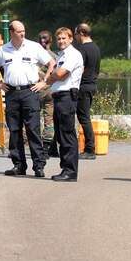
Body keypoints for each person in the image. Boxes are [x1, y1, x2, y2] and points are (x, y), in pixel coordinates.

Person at [0, 20, 53, 178]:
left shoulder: (33, 47)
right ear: (11, 33)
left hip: (29, 91)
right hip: (11, 93)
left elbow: (51, 63)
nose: (23, 34)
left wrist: (44, 82)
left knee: (33, 129)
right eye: (19, 31)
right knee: (15, 130)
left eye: (24, 30)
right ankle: (19, 165)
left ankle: (38, 166)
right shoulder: (3, 50)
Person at [44, 27, 84, 182]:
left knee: (67, 135)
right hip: (59, 97)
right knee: (61, 135)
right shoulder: (62, 56)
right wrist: (54, 75)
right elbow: (57, 75)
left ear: (71, 39)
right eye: (59, 38)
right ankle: (65, 168)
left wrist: (53, 76)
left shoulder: (73, 54)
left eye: (64, 38)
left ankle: (70, 171)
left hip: (67, 97)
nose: (61, 41)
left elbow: (60, 74)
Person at [74, 23, 101, 160]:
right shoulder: (96, 48)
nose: (75, 37)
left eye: (76, 34)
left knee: (84, 118)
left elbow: (80, 68)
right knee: (83, 116)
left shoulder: (82, 49)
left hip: (83, 86)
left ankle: (90, 149)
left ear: (81, 33)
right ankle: (55, 146)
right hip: (92, 85)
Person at [37, 30, 56, 156]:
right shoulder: (55, 55)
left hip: (37, 90)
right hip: (51, 91)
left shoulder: (37, 55)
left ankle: (38, 146)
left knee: (33, 118)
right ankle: (47, 147)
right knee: (49, 119)